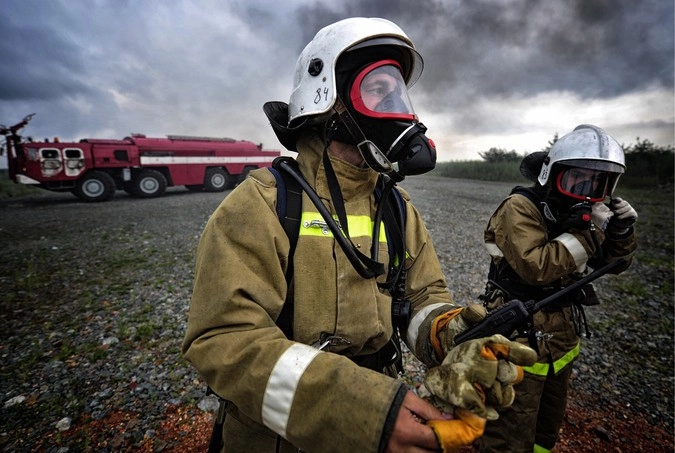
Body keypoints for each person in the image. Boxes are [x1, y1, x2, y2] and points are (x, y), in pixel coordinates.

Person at [182, 17, 535, 453]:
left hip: (383, 408)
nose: (396, 104)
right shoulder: (262, 203)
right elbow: (224, 338)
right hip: (277, 438)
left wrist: (449, 331)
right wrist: (354, 407)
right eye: (379, 89)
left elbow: (422, 297)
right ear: (329, 98)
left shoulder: (396, 206)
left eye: (398, 91)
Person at [476, 124, 638, 453]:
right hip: (518, 330)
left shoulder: (582, 215)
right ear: (552, 174)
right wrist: (591, 231)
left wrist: (621, 231)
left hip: (562, 332)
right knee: (511, 425)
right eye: (577, 178)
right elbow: (536, 267)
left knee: (546, 425)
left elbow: (615, 264)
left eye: (598, 182)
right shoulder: (519, 207)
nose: (587, 190)